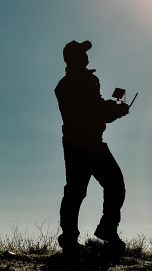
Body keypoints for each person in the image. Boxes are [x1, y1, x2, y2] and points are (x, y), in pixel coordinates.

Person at [54, 40, 130, 253]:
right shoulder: (75, 83)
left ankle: (81, 236)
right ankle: (88, 234)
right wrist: (114, 110)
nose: (87, 56)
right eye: (83, 53)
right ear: (75, 57)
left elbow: (95, 110)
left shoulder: (78, 82)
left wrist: (111, 110)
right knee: (99, 187)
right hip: (83, 144)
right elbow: (93, 111)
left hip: (83, 142)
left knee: (79, 191)